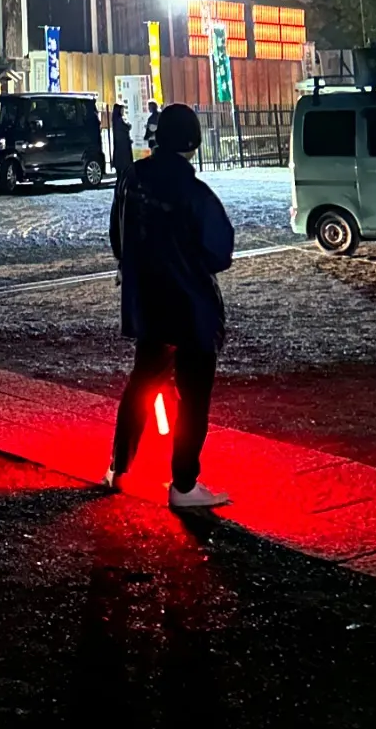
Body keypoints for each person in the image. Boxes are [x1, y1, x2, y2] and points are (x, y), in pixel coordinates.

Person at [105, 102, 234, 509]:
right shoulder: (195, 192)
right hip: (190, 305)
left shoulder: (132, 178)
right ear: (192, 144)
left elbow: (117, 235)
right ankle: (183, 484)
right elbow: (219, 252)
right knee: (193, 398)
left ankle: (118, 467)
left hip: (147, 301)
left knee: (143, 382)